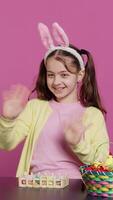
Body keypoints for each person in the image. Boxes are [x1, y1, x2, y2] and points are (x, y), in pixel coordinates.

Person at [0, 22, 109, 179]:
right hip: (36, 187)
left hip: (75, 188)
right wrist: (8, 120)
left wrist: (78, 144)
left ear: (80, 75)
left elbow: (101, 162)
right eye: (51, 75)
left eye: (64, 75)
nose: (56, 82)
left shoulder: (92, 114)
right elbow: (6, 143)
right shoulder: (34, 108)